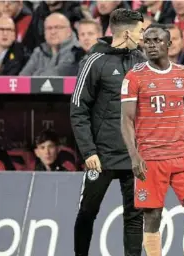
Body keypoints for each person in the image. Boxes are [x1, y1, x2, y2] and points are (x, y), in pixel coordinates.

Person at [121, 24, 184, 256]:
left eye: (157, 40)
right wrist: (135, 155)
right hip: (150, 157)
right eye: (147, 41)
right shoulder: (134, 77)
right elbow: (126, 119)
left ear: (169, 44)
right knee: (153, 216)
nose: (151, 44)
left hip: (181, 155)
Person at [70, 9, 146, 256]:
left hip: (134, 157)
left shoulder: (141, 61)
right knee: (87, 212)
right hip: (100, 156)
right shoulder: (93, 61)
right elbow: (78, 110)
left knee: (135, 216)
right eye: (140, 31)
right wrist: (89, 151)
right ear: (126, 33)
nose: (143, 36)